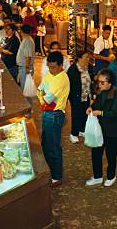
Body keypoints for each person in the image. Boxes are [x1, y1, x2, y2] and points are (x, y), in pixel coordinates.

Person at [37, 51, 70, 187]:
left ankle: (57, 176)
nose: (51, 70)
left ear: (61, 65)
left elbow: (46, 99)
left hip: (55, 115)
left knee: (53, 146)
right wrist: (43, 97)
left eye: (54, 67)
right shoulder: (50, 74)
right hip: (48, 114)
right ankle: (51, 171)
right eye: (49, 67)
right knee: (46, 144)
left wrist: (43, 97)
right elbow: (39, 91)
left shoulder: (62, 79)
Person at [85, 68, 117, 187]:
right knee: (96, 152)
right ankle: (97, 176)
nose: (99, 85)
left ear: (110, 83)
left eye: (102, 82)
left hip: (111, 130)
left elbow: (114, 112)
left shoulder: (115, 95)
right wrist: (91, 107)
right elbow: (95, 104)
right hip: (100, 129)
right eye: (99, 82)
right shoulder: (100, 92)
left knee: (111, 155)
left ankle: (111, 176)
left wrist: (100, 113)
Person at [66, 51, 91, 143]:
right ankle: (74, 133)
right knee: (76, 114)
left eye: (88, 57)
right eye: (86, 57)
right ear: (79, 58)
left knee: (84, 113)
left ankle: (82, 130)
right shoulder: (73, 69)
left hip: (85, 95)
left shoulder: (86, 68)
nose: (87, 59)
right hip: (76, 96)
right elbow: (69, 84)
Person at [16, 24, 35, 103]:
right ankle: (28, 109)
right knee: (26, 88)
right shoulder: (28, 39)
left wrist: (27, 67)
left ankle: (28, 110)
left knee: (26, 89)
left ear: (21, 31)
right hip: (24, 67)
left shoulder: (27, 40)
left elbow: (28, 55)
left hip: (25, 68)